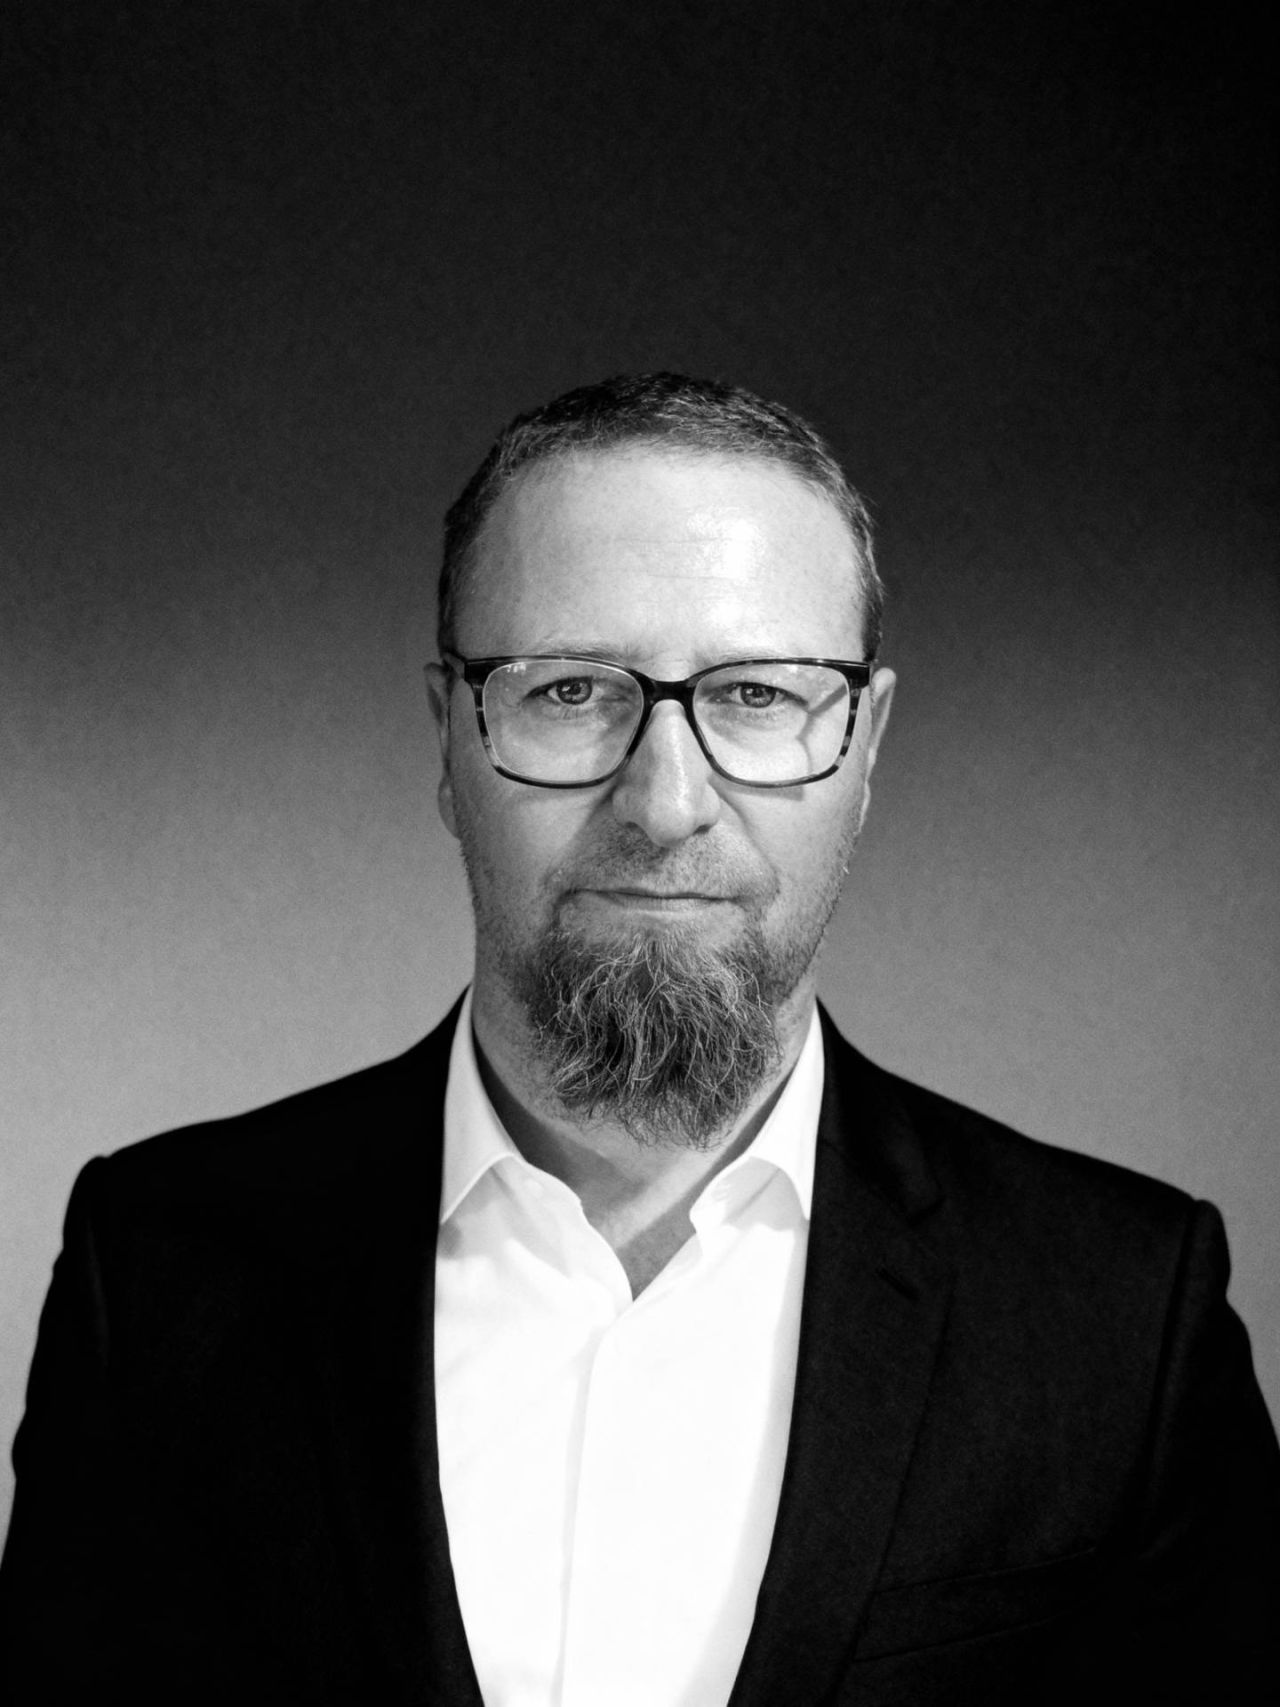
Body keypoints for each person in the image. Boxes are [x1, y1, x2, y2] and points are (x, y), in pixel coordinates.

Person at [1, 373, 1276, 1705]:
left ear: (864, 746)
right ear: (449, 739)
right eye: (569, 692)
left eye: (758, 695)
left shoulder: (1125, 1320)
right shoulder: (155, 1276)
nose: (666, 804)